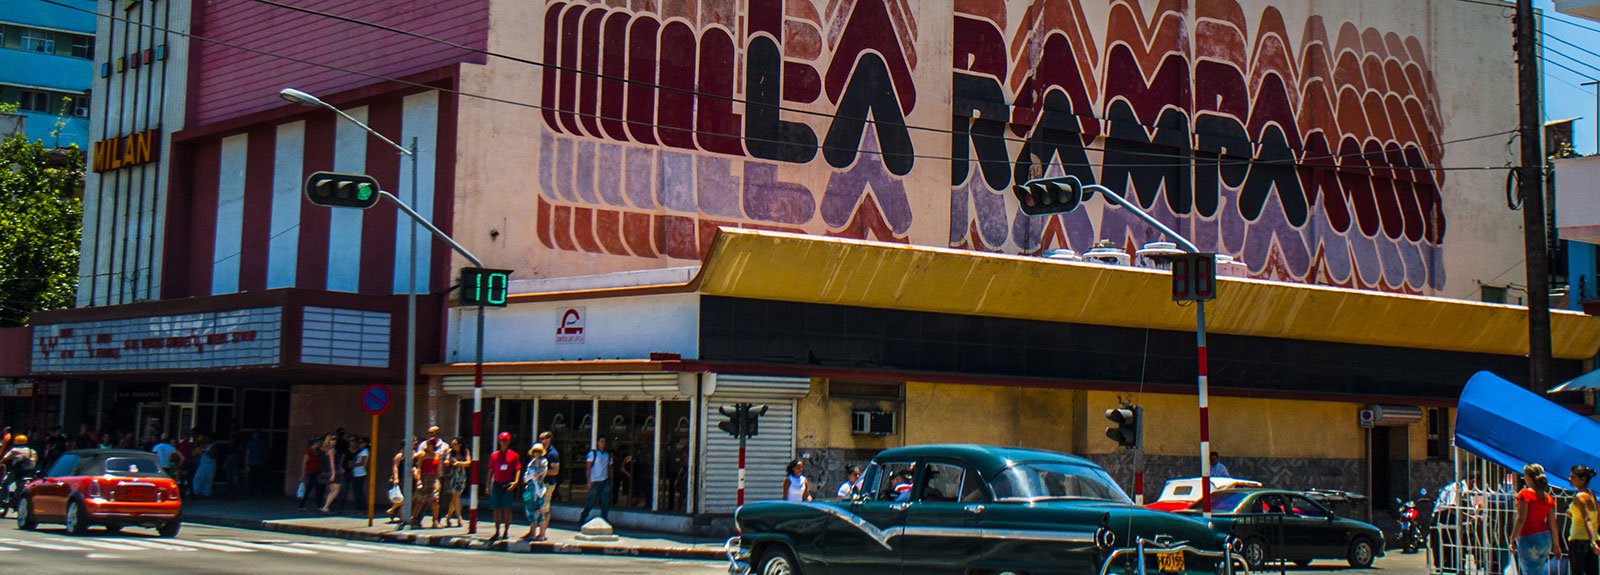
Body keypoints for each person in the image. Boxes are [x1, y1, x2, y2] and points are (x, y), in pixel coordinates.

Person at [1512, 463, 1559, 575]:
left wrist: (1512, 538)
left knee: (1530, 571)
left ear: (1528, 477)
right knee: (1538, 569)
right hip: (1545, 539)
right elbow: (1552, 523)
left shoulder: (1525, 494)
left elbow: (1521, 519)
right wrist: (1556, 545)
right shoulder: (1548, 497)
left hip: (1528, 537)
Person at [485, 432, 521, 540]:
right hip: (497, 483)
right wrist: (487, 485)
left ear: (509, 441)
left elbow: (518, 469)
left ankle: (506, 531)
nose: (504, 442)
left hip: (507, 483)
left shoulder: (514, 455)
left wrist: (516, 481)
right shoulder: (495, 455)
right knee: (496, 508)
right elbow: (490, 471)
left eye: (506, 440)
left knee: (507, 508)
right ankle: (497, 531)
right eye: (502, 440)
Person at [1569, 465, 1599, 575]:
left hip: (1578, 540)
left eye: (1573, 477)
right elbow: (1596, 516)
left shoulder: (1580, 496)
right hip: (1593, 539)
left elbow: (1587, 519)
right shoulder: (1592, 495)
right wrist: (1594, 539)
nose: (1570, 479)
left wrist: (1592, 541)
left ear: (1583, 479)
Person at [579, 437, 613, 525]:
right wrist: (589, 481)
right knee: (591, 501)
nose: (603, 444)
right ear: (597, 443)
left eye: (604, 442)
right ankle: (583, 517)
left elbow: (610, 468)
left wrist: (610, 480)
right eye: (601, 442)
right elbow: (588, 468)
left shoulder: (608, 455)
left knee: (605, 502)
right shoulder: (593, 454)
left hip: (604, 481)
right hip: (595, 481)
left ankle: (604, 518)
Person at [520, 444, 550, 542]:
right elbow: (526, 477)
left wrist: (533, 475)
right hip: (531, 489)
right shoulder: (531, 463)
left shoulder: (543, 462)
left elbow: (540, 473)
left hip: (539, 489)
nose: (537, 453)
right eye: (535, 451)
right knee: (530, 512)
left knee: (539, 512)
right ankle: (532, 532)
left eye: (539, 451)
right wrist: (531, 476)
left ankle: (541, 534)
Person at [411, 438, 443, 528]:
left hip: (433, 479)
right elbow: (418, 467)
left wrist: (438, 481)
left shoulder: (437, 455)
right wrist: (418, 480)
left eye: (429, 444)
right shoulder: (422, 454)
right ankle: (414, 518)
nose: (427, 445)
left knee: (435, 500)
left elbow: (438, 469)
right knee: (420, 500)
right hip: (424, 478)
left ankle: (435, 521)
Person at [537, 431, 561, 538]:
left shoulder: (553, 453)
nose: (540, 441)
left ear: (549, 439)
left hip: (548, 483)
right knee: (538, 508)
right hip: (539, 483)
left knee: (545, 508)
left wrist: (542, 472)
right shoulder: (541, 451)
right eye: (540, 439)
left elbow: (555, 471)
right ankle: (538, 531)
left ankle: (542, 533)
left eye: (542, 439)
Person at [443, 438, 469, 528]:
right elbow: (446, 461)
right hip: (453, 476)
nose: (453, 445)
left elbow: (468, 462)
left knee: (455, 498)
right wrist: (447, 462)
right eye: (452, 443)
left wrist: (458, 463)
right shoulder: (450, 452)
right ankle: (459, 518)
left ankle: (448, 516)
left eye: (455, 443)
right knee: (456, 497)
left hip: (461, 475)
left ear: (460, 444)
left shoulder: (465, 451)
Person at [298, 436, 324, 512]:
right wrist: (303, 474)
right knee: (311, 488)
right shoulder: (309, 452)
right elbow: (304, 463)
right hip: (311, 473)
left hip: (318, 472)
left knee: (316, 489)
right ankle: (302, 505)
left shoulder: (319, 451)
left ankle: (317, 505)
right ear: (315, 443)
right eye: (319, 442)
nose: (320, 444)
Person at [319, 435, 343, 514]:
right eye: (333, 439)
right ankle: (325, 507)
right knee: (336, 490)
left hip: (328, 470)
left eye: (335, 439)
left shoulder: (325, 449)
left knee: (332, 490)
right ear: (329, 440)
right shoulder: (331, 449)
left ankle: (326, 507)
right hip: (333, 471)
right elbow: (332, 461)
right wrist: (333, 473)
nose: (334, 441)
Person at [350, 437, 370, 515]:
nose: (360, 444)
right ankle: (358, 507)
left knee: (359, 492)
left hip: (360, 473)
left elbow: (362, 463)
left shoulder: (365, 451)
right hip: (356, 473)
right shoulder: (360, 451)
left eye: (362, 443)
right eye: (359, 443)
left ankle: (362, 508)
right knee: (356, 491)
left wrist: (353, 465)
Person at [244, 432, 267, 497]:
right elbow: (265, 454)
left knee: (251, 479)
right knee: (258, 479)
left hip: (252, 463)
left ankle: (250, 492)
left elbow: (247, 455)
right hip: (259, 463)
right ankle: (258, 492)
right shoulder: (262, 443)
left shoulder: (250, 443)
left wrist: (246, 465)